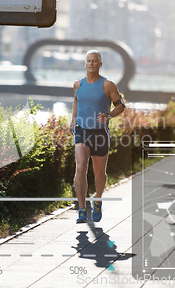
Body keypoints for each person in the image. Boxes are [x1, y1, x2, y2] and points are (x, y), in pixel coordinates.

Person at [69, 50, 125, 223]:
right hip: (82, 131)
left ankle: (98, 200)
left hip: (100, 133)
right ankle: (81, 209)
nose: (91, 63)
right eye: (88, 61)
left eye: (95, 61)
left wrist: (109, 115)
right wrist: (73, 120)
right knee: (80, 167)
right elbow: (76, 101)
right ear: (85, 64)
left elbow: (121, 106)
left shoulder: (107, 85)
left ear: (100, 64)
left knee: (99, 173)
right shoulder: (78, 85)